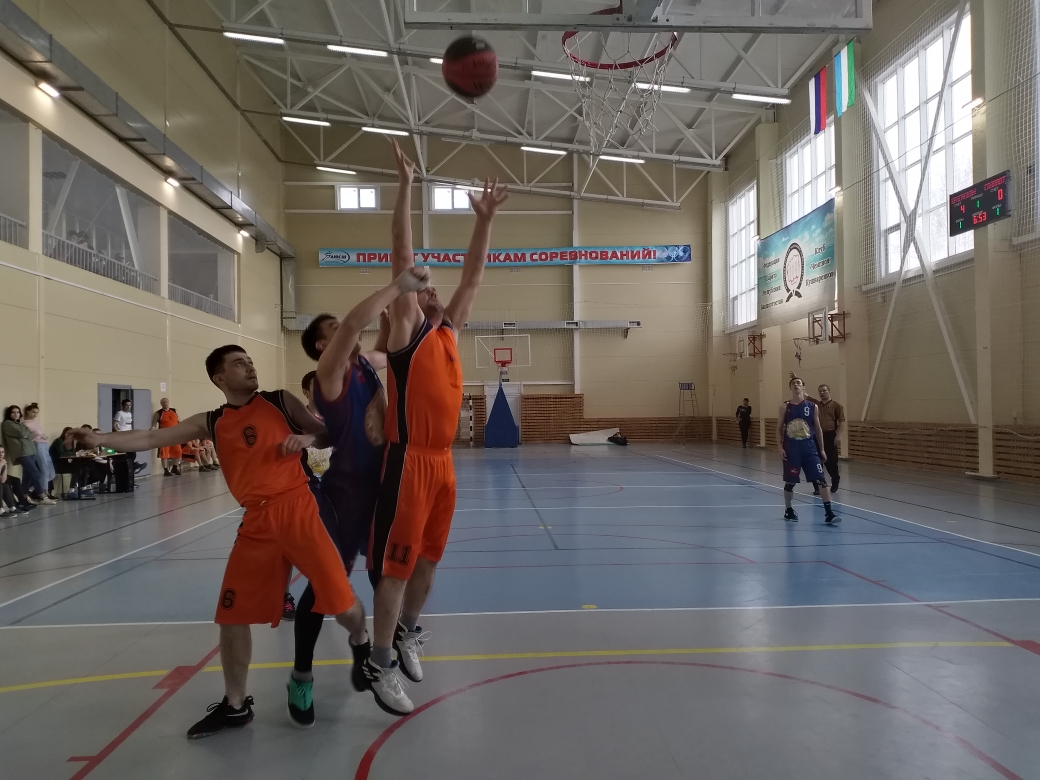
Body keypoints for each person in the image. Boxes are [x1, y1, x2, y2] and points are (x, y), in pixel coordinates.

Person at [67, 344, 369, 739]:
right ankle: (235, 705)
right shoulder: (211, 421)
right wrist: (99, 439)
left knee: (342, 604)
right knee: (232, 614)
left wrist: (309, 438)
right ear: (220, 378)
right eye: (239, 364)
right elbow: (150, 437)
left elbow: (327, 433)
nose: (250, 367)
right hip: (256, 521)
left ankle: (361, 640)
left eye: (250, 361)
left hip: (298, 510)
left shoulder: (279, 401)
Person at [359, 139, 508, 716]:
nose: (432, 286)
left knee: (429, 559)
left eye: (431, 285)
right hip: (409, 461)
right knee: (397, 566)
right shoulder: (407, 330)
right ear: (408, 297)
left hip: (444, 463)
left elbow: (474, 275)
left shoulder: (449, 331)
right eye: (422, 285)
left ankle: (406, 632)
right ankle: (379, 663)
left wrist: (485, 220)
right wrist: (404, 187)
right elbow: (402, 253)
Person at [293, 270, 426, 725]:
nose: (346, 328)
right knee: (323, 588)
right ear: (321, 346)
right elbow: (354, 323)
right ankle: (302, 676)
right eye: (332, 329)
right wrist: (397, 287)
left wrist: (394, 315)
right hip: (344, 496)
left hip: (383, 486)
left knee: (385, 576)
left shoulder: (366, 365)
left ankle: (377, 655)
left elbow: (387, 347)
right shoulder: (328, 375)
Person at [776, 376, 840, 524]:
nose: (796, 384)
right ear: (790, 388)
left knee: (821, 480)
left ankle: (829, 513)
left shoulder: (812, 406)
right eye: (793, 383)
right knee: (790, 481)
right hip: (792, 448)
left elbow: (818, 429)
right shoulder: (785, 407)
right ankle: (788, 510)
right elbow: (779, 428)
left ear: (803, 387)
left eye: (798, 383)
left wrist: (822, 449)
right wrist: (779, 446)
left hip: (809, 448)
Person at [2, 406, 55, 505]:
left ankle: (25, 497)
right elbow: (22, 433)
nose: (16, 414)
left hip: (30, 450)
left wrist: (28, 434)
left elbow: (30, 435)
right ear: (9, 413)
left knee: (27, 476)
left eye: (18, 412)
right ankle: (42, 496)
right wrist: (28, 433)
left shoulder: (19, 424)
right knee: (35, 473)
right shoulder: (8, 424)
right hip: (22, 452)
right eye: (13, 412)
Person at [22, 403, 57, 499]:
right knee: (44, 468)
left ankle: (32, 489)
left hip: (44, 444)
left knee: (51, 473)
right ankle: (45, 493)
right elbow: (28, 436)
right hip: (37, 444)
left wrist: (44, 436)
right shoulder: (25, 424)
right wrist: (39, 436)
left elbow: (41, 433)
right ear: (28, 411)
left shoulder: (36, 422)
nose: (35, 414)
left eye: (37, 412)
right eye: (33, 412)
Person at [816, 384, 845, 493]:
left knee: (831, 461)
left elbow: (842, 421)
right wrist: (795, 378)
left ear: (829, 391)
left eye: (824, 390)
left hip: (830, 435)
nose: (822, 393)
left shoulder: (836, 405)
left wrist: (838, 435)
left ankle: (835, 479)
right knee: (817, 461)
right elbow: (805, 395)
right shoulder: (816, 405)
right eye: (820, 391)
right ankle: (819, 485)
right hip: (818, 436)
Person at [0, 445, 34, 515]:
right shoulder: (1, 462)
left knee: (10, 482)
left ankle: (13, 507)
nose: (1, 454)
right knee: (3, 484)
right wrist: (1, 465)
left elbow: (2, 480)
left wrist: (5, 467)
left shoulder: (2, 461)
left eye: (2, 452)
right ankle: (3, 508)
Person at [152, 398, 183, 476]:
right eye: (163, 402)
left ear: (168, 402)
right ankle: (165, 470)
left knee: (178, 452)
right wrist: (153, 430)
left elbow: (179, 422)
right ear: (161, 404)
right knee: (164, 454)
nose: (165, 403)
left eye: (166, 402)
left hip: (175, 435)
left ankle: (174, 468)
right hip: (164, 436)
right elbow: (153, 425)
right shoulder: (158, 413)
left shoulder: (174, 411)